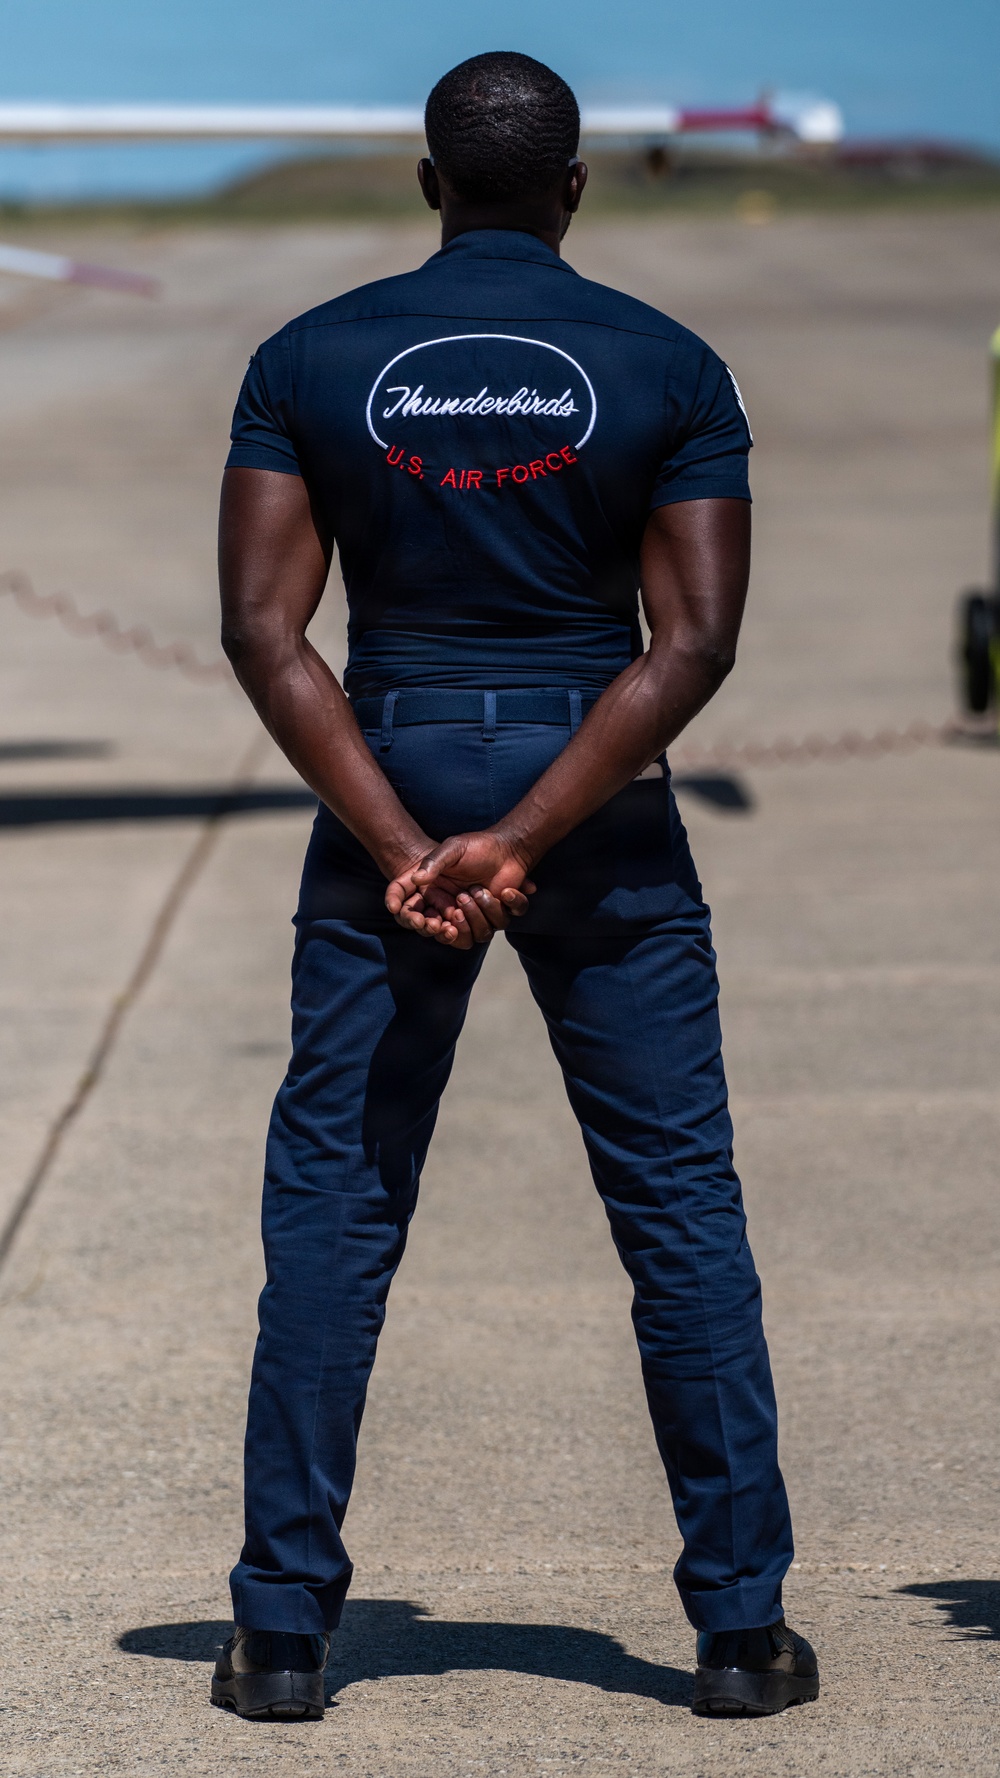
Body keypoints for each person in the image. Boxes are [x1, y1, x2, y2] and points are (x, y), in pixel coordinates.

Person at [210, 50, 819, 1723]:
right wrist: (531, 833)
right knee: (677, 1203)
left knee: (336, 1203)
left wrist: (405, 844)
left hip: (387, 769)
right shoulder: (669, 364)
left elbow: (263, 628)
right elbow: (695, 640)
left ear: (429, 184)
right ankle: (740, 1632)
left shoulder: (308, 358)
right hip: (592, 783)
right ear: (573, 188)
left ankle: (278, 1636)